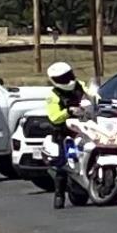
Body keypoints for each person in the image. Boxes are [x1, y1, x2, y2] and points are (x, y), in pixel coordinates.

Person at [44, 62, 87, 210]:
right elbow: (54, 117)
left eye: (69, 76)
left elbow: (94, 95)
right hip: (64, 131)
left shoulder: (80, 85)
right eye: (63, 78)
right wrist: (69, 111)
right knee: (63, 163)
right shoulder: (53, 95)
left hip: (85, 127)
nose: (68, 80)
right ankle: (59, 194)